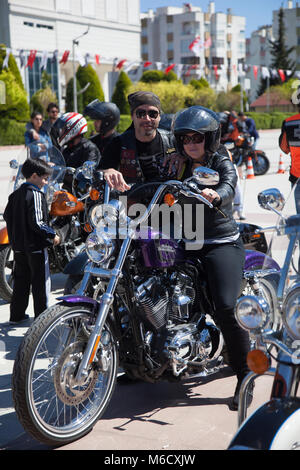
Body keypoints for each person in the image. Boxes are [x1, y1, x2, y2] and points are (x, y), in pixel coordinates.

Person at [171, 106, 252, 410]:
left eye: (198, 138)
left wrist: (218, 194)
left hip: (221, 241)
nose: (192, 143)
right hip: (187, 241)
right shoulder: (177, 163)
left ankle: (245, 376)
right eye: (186, 138)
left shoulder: (220, 160)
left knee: (226, 305)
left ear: (210, 138)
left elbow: (229, 183)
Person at [3, 158, 60, 324]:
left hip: (19, 247)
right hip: (35, 247)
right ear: (34, 176)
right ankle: (42, 320)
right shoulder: (35, 194)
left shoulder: (15, 195)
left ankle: (17, 315)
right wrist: (52, 234)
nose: (45, 182)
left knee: (21, 282)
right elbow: (38, 222)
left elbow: (7, 216)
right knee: (40, 284)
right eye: (44, 178)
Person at [99, 91, 180, 192]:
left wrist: (182, 156)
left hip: (167, 204)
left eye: (153, 114)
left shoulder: (173, 141)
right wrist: (108, 171)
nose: (147, 119)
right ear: (132, 116)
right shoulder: (118, 143)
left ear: (159, 117)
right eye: (140, 113)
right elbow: (101, 170)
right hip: (130, 203)